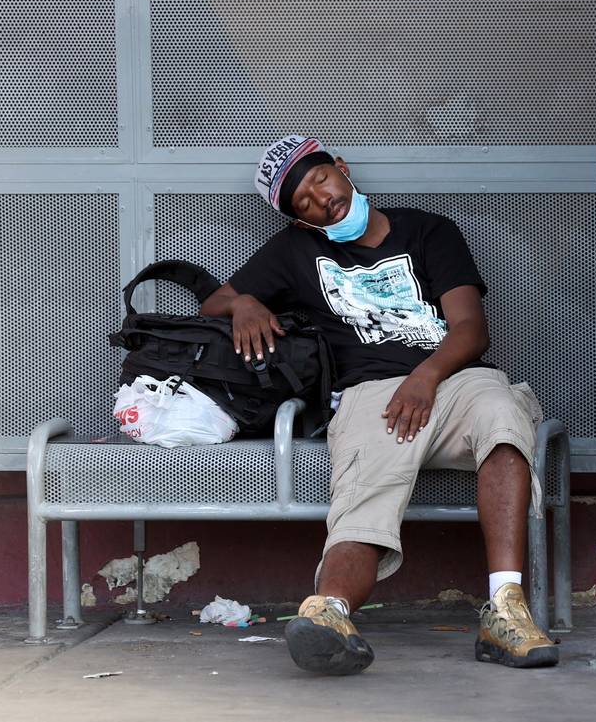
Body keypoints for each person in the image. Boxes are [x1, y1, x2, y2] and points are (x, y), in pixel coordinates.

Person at [200, 135, 559, 675]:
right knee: (361, 503)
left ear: (341, 168)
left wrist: (426, 376)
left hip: (453, 379)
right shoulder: (295, 251)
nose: (321, 199)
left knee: (503, 416)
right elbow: (214, 301)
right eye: (304, 202)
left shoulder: (428, 230)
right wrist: (245, 302)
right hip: (372, 397)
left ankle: (506, 611)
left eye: (321, 179)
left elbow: (471, 329)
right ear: (300, 221)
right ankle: (329, 615)